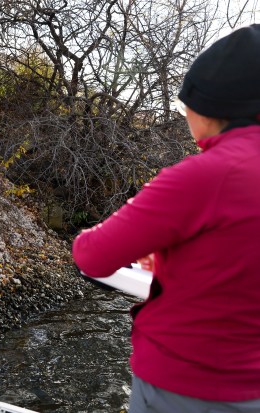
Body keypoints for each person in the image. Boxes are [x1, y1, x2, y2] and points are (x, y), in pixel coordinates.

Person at [73, 25, 260, 412]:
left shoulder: (204, 176)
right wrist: (182, 259)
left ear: (209, 108)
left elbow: (92, 254)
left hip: (187, 386)